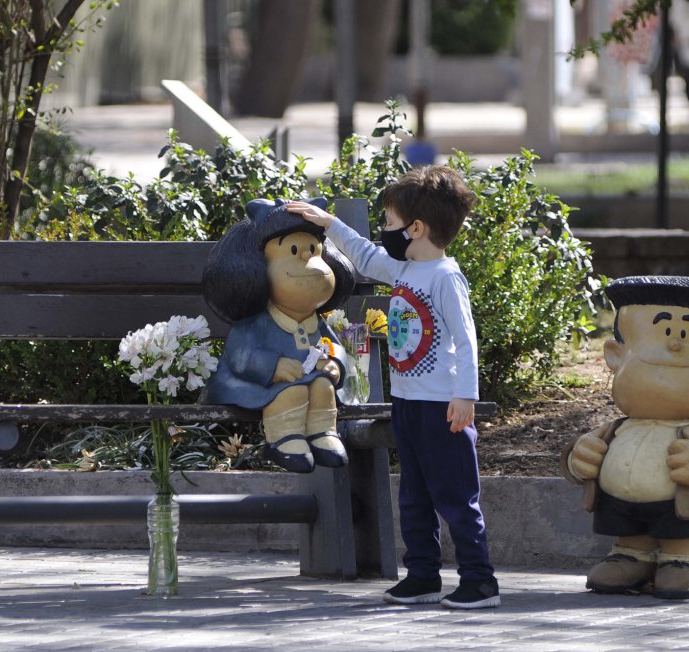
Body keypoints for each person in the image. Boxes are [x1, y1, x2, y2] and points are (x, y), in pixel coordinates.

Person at [287, 166, 499, 609]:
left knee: (456, 497)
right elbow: (363, 256)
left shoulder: (444, 277)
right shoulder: (404, 269)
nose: (385, 231)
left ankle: (479, 581)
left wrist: (466, 395)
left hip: (443, 407)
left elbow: (466, 339)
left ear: (416, 228)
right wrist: (329, 224)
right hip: (408, 402)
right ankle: (422, 575)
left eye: (389, 222)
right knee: (414, 495)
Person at [561, 275, 689, 599]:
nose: (675, 341)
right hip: (622, 511)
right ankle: (632, 556)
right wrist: (577, 457)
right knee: (629, 538)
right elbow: (578, 457)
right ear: (614, 355)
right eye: (659, 332)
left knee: (684, 545)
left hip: (684, 513)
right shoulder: (617, 430)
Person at [202, 197, 356, 473]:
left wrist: (335, 361)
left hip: (313, 378)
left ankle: (323, 433)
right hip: (267, 384)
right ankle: (285, 438)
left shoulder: (315, 321)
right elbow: (240, 355)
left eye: (314, 250)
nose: (309, 261)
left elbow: (333, 344)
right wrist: (273, 366)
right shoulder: (259, 321)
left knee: (323, 388)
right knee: (291, 392)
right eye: (295, 250)